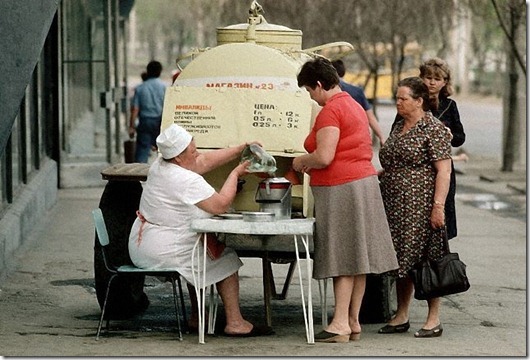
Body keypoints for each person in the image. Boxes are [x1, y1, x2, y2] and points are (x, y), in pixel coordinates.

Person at [128, 124, 273, 337]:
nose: (198, 154)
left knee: (198, 258)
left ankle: (198, 317)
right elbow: (220, 205)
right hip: (162, 248)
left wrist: (240, 148)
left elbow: (203, 162)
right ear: (178, 157)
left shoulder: (160, 165)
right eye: (193, 151)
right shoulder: (184, 179)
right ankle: (235, 322)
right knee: (226, 258)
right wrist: (235, 173)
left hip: (144, 243)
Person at [292, 58, 399, 343]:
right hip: (363, 183)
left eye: (309, 91)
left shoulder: (331, 111)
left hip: (340, 187)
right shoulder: (353, 104)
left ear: (318, 84)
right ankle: (352, 320)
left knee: (341, 256)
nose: (310, 97)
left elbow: (325, 156)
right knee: (357, 257)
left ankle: (339, 322)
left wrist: (302, 161)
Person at [378, 77, 452, 338]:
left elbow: (444, 170)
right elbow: (391, 161)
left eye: (403, 99)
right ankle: (402, 314)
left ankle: (434, 319)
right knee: (401, 260)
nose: (397, 102)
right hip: (394, 204)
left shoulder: (433, 128)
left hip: (420, 205)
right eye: (397, 98)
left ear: (419, 101)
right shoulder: (398, 125)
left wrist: (438, 207)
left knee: (427, 259)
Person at [419, 58, 466, 240]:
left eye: (437, 79)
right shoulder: (414, 102)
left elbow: (460, 138)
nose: (432, 82)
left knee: (441, 218)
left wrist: (450, 135)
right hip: (419, 169)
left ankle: (441, 262)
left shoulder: (450, 106)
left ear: (444, 82)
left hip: (443, 169)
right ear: (421, 78)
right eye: (428, 77)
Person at [331, 59, 386, 145]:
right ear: (343, 72)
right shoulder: (357, 91)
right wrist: (381, 137)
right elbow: (370, 118)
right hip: (356, 138)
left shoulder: (325, 90)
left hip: (335, 137)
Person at [128, 61, 167, 163]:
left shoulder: (140, 88)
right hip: (160, 121)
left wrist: (131, 126)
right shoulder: (164, 88)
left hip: (145, 122)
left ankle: (140, 175)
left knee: (142, 150)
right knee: (164, 151)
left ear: (148, 71)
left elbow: (135, 109)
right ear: (160, 72)